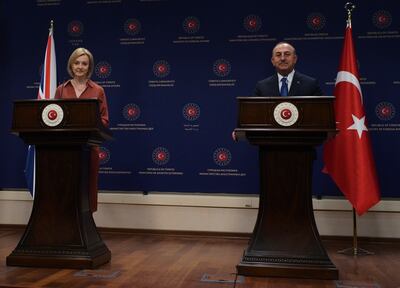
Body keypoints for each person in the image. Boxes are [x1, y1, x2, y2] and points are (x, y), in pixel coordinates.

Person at [54, 47, 109, 212]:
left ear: (89, 67)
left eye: (84, 63)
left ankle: (86, 224)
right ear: (71, 65)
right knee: (65, 187)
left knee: (87, 188)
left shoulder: (98, 90)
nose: (80, 66)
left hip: (89, 148)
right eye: (76, 62)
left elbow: (104, 119)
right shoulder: (61, 90)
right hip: (65, 149)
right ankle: (65, 223)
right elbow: (53, 117)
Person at [254, 42, 323, 96]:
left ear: (295, 59)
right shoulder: (262, 87)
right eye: (278, 55)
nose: (282, 58)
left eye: (287, 54)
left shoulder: (310, 84)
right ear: (273, 61)